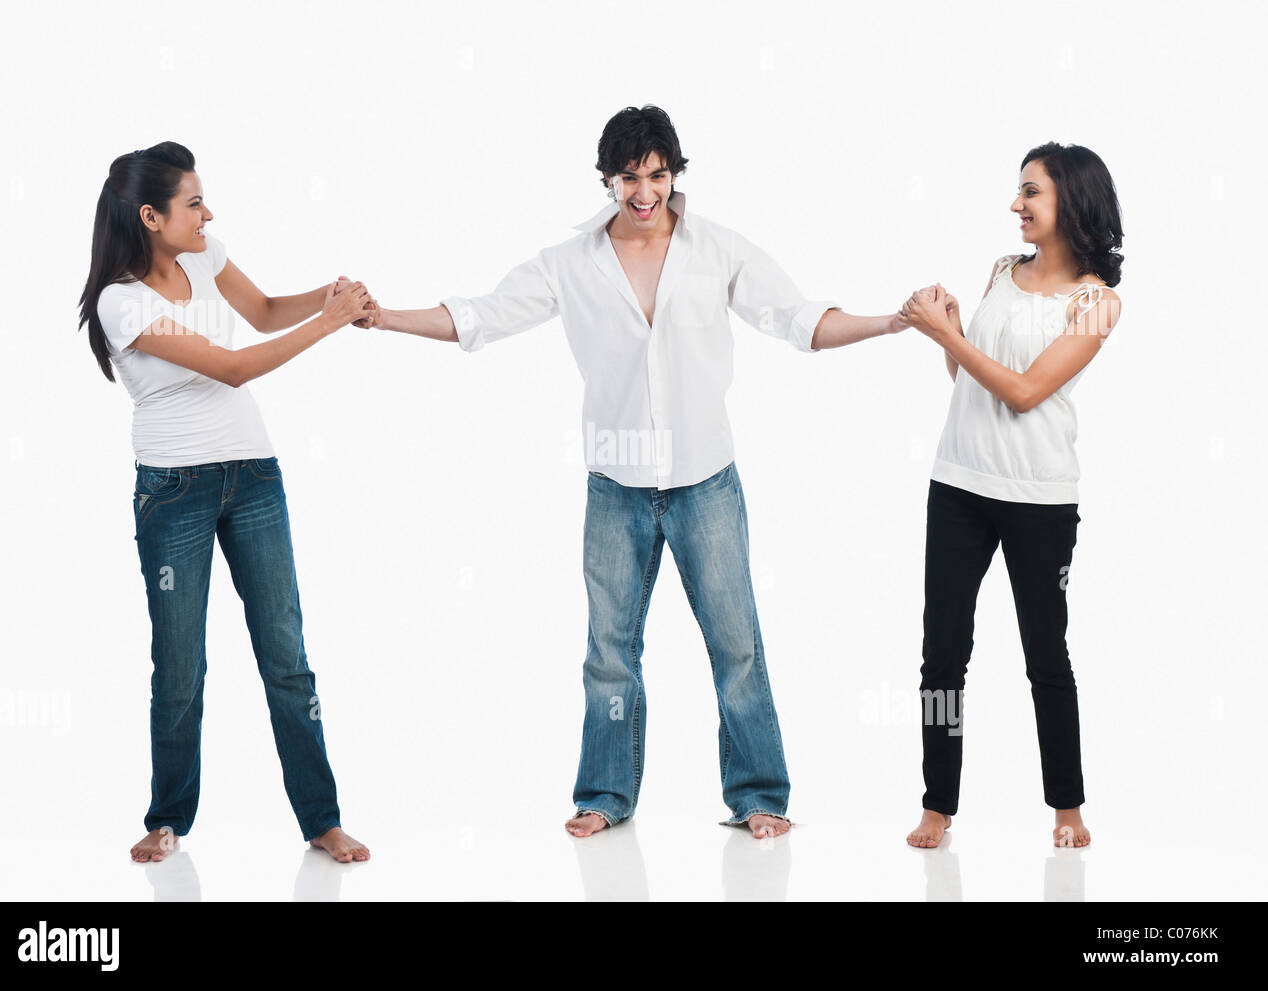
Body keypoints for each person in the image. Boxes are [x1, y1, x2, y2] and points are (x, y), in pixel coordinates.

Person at [365, 105, 912, 838]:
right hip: (615, 489)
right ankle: (605, 794)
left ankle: (759, 797)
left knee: (736, 644)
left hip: (705, 481)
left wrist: (892, 322)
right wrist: (384, 316)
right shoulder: (570, 261)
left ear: (675, 174)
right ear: (608, 180)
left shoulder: (718, 249)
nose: (645, 191)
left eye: (658, 174)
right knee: (608, 654)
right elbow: (480, 317)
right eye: (630, 177)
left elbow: (799, 319)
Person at [78, 141, 375, 863]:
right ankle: (167, 817)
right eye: (193, 204)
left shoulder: (206, 256)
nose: (208, 213)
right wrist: (331, 325)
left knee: (287, 654)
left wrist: (330, 298)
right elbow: (235, 367)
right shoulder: (122, 302)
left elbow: (268, 311)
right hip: (174, 491)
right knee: (181, 664)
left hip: (253, 477)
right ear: (150, 217)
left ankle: (322, 818)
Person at [899, 142, 1123, 849]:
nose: (1016, 205)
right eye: (1017, 191)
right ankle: (938, 805)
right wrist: (956, 330)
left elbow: (1025, 394)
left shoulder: (1097, 303)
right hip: (959, 483)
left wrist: (946, 336)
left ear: (1072, 204)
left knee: (1045, 653)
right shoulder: (1002, 269)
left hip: (1039, 499)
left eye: (1032, 193)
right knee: (942, 653)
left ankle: (1068, 807)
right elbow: (969, 380)